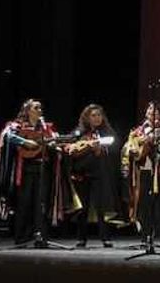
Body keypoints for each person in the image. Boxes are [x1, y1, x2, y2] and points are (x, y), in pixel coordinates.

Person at [0, 99, 65, 246]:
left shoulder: (46, 128)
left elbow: (53, 142)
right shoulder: (17, 125)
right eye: (36, 107)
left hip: (42, 169)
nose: (40, 110)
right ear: (27, 110)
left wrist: (53, 145)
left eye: (40, 108)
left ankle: (40, 237)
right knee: (24, 203)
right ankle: (21, 237)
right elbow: (7, 136)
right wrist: (24, 142)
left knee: (41, 203)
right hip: (24, 170)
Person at [122, 101, 160, 246]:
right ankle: (146, 236)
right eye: (149, 108)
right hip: (145, 170)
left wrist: (158, 139)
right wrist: (133, 150)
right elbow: (129, 148)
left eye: (155, 110)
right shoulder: (138, 131)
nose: (151, 111)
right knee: (144, 205)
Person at [65, 104, 120, 248]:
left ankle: (105, 238)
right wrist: (86, 147)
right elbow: (69, 147)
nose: (97, 118)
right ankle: (81, 238)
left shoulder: (107, 131)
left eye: (99, 115)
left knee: (101, 206)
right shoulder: (79, 132)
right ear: (87, 117)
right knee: (82, 208)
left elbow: (115, 148)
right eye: (93, 115)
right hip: (82, 173)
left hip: (100, 173)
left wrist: (102, 149)